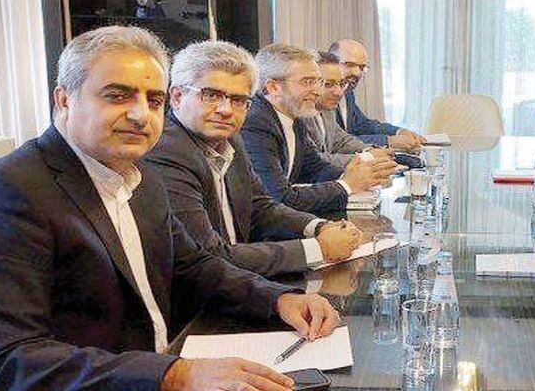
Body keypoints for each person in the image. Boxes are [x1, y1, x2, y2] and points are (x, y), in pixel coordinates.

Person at [0, 26, 342, 391]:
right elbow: (11, 358)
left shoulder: (140, 174)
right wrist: (174, 374)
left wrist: (278, 299)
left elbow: (191, 265)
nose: (140, 114)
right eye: (117, 95)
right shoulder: (12, 188)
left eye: (153, 100)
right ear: (64, 100)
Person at [144, 40, 363, 280]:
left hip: (242, 281)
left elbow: (260, 206)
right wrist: (319, 249)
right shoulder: (166, 152)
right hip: (201, 296)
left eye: (238, 100)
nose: (226, 110)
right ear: (177, 97)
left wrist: (320, 227)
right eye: (211, 95)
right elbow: (210, 256)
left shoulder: (231, 139)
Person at [242, 44, 397, 213]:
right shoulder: (255, 122)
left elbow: (315, 168)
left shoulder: (295, 117)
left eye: (319, 81)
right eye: (308, 82)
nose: (317, 91)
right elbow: (279, 198)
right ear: (273, 87)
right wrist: (347, 185)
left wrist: (361, 173)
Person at [329, 39, 425, 149]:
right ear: (330, 64)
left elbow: (363, 125)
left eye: (361, 67)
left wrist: (398, 131)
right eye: (349, 65)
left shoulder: (347, 93)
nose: (357, 73)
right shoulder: (322, 96)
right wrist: (387, 141)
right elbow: (335, 142)